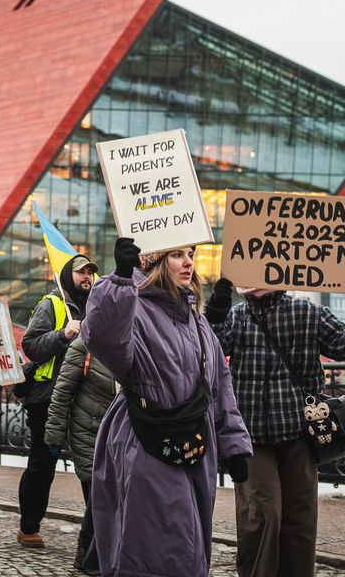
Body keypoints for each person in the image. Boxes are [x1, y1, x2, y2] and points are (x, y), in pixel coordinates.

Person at [83, 238, 252, 577]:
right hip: (145, 444)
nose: (188, 262)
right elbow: (102, 338)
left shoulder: (197, 320)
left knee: (187, 545)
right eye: (177, 255)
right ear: (157, 263)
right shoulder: (135, 308)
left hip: (195, 445)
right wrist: (119, 281)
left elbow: (218, 385)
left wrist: (233, 444)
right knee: (157, 546)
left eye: (191, 255)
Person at [206, 278, 345, 577]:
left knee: (300, 519)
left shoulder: (306, 312)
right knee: (263, 515)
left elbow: (344, 343)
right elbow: (207, 348)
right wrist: (217, 309)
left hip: (299, 433)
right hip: (251, 438)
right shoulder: (235, 317)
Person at [17, 252, 98, 547]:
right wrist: (63, 334)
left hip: (85, 400)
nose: (86, 277)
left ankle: (97, 534)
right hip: (48, 398)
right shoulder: (51, 303)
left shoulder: (98, 306)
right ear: (67, 276)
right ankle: (28, 527)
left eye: (90, 272)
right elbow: (31, 345)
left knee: (91, 468)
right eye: (80, 272)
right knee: (42, 463)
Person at [44, 321, 116, 575]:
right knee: (98, 498)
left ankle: (102, 556)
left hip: (118, 438)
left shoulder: (130, 342)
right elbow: (62, 393)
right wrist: (54, 436)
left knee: (110, 499)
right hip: (89, 435)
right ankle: (86, 555)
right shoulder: (84, 345)